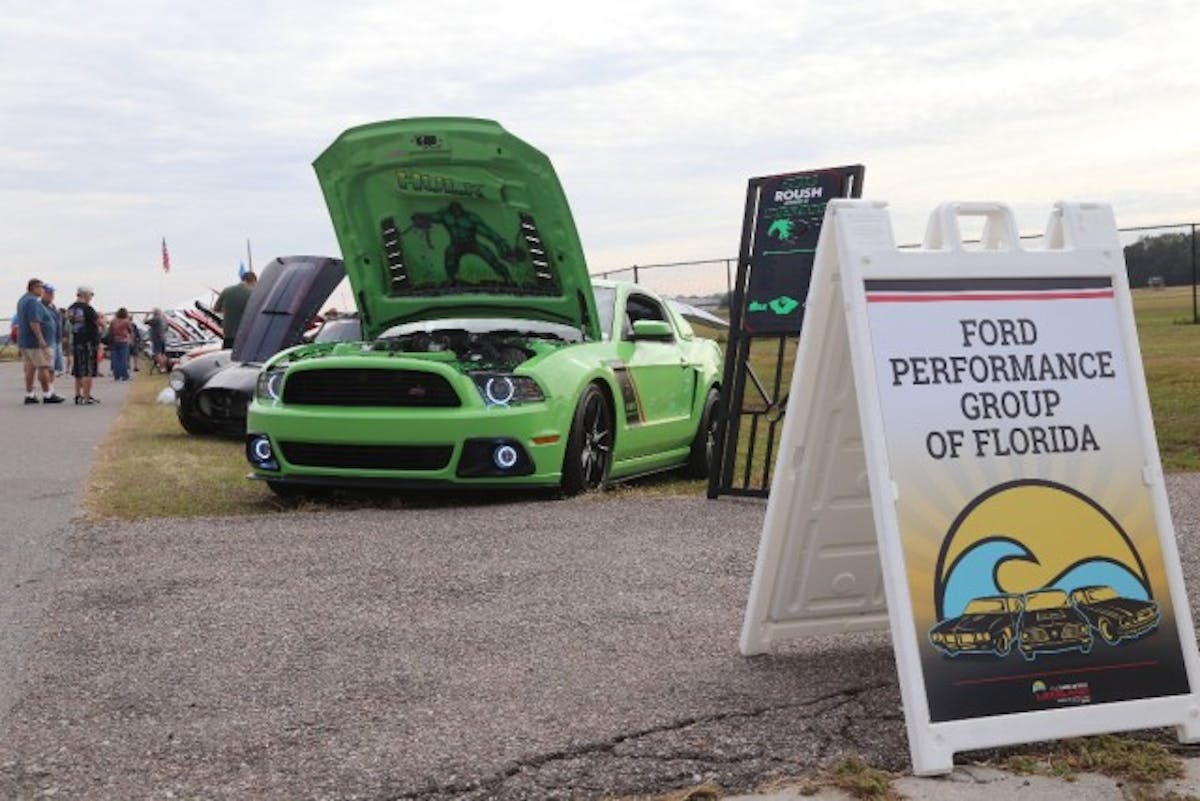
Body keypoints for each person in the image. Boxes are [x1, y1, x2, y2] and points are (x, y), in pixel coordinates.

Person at [15, 277, 65, 404]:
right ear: (34, 288)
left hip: (26, 341)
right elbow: (34, 321)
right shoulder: (32, 302)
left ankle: (29, 394)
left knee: (30, 367)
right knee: (44, 367)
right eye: (41, 287)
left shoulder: (23, 300)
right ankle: (48, 394)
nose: (43, 290)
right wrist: (41, 339)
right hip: (35, 342)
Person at [67, 286, 102, 404]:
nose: (91, 297)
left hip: (77, 340)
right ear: (85, 294)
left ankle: (78, 395)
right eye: (91, 294)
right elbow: (99, 322)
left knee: (78, 369)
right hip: (89, 341)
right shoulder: (88, 309)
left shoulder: (71, 308)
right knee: (88, 370)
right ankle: (87, 396)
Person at [214, 271, 257, 349]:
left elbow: (216, 309)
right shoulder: (253, 293)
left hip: (228, 334)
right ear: (253, 281)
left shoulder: (226, 290)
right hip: (245, 335)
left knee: (227, 358)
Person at [40, 283, 65, 375]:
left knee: (54, 367)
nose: (51, 295)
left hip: (57, 340)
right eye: (48, 293)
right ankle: (46, 387)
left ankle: (50, 387)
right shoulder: (40, 307)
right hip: (47, 340)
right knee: (47, 366)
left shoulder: (54, 307)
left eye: (52, 293)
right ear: (43, 293)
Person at [108, 307, 134, 381]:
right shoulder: (126, 321)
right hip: (123, 341)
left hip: (114, 340)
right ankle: (124, 375)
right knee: (123, 359)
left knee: (115, 359)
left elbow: (110, 331)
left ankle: (116, 375)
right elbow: (130, 331)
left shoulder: (113, 321)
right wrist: (132, 340)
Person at [146, 308, 167, 372]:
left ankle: (162, 367)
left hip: (157, 338)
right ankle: (164, 366)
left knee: (157, 353)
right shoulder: (163, 319)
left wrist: (147, 315)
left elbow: (145, 322)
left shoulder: (155, 319)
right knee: (163, 354)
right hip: (163, 337)